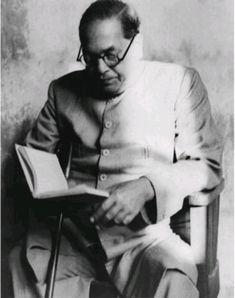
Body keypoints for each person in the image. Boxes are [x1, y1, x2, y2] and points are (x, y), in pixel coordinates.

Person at [9, 0, 222, 297]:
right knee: (19, 266)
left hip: (143, 239)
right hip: (74, 238)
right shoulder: (62, 91)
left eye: (111, 55)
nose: (99, 69)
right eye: (90, 57)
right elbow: (34, 157)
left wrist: (147, 187)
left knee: (174, 279)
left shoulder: (179, 83)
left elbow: (205, 166)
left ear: (137, 44)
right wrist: (50, 190)